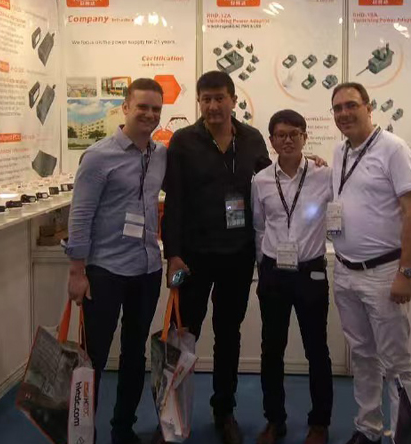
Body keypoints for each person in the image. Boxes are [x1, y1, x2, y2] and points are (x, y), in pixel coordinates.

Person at [161, 70, 271, 444]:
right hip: (192, 258)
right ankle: (171, 416)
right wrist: (173, 255)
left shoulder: (252, 139)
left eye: (219, 98)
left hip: (237, 256)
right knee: (181, 336)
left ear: (233, 100)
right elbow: (174, 202)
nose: (212, 106)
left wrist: (308, 165)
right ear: (199, 102)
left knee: (228, 335)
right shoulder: (183, 141)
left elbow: (270, 188)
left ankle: (224, 411)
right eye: (205, 99)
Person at [65, 78, 166, 444]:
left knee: (135, 354)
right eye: (142, 107)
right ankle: (83, 432)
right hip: (104, 271)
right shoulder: (98, 156)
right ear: (125, 107)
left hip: (147, 269)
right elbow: (80, 216)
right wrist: (77, 272)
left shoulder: (160, 154)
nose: (149, 114)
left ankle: (123, 428)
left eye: (156, 109)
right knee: (93, 357)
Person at [328, 82, 411, 444]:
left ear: (369, 108)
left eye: (351, 105)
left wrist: (406, 273)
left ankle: (405, 437)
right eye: (338, 108)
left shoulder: (394, 149)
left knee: (396, 362)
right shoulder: (340, 151)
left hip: (384, 273)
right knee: (363, 356)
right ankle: (368, 428)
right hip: (345, 270)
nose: (344, 113)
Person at [251, 109, 334, 444]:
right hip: (273, 272)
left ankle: (320, 423)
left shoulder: (323, 175)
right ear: (271, 140)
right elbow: (259, 226)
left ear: (304, 137)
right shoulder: (260, 180)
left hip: (310, 271)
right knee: (271, 349)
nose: (287, 140)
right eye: (280, 135)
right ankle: (275, 420)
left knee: (317, 349)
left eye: (294, 134)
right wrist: (263, 268)